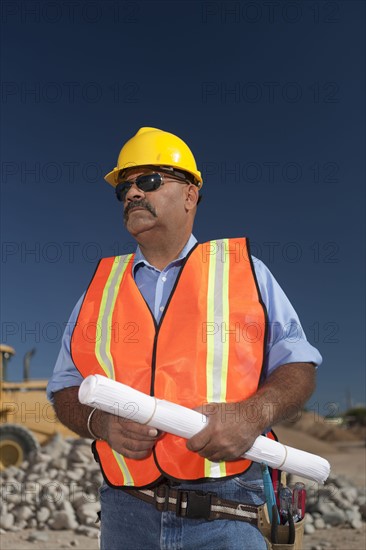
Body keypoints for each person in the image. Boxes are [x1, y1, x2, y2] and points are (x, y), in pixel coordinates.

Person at [48, 127, 322, 550]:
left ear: (191, 194)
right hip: (125, 513)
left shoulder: (245, 273)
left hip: (227, 513)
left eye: (149, 180)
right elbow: (65, 388)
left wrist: (252, 415)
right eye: (125, 186)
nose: (133, 193)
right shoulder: (100, 288)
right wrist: (99, 423)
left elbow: (299, 366)